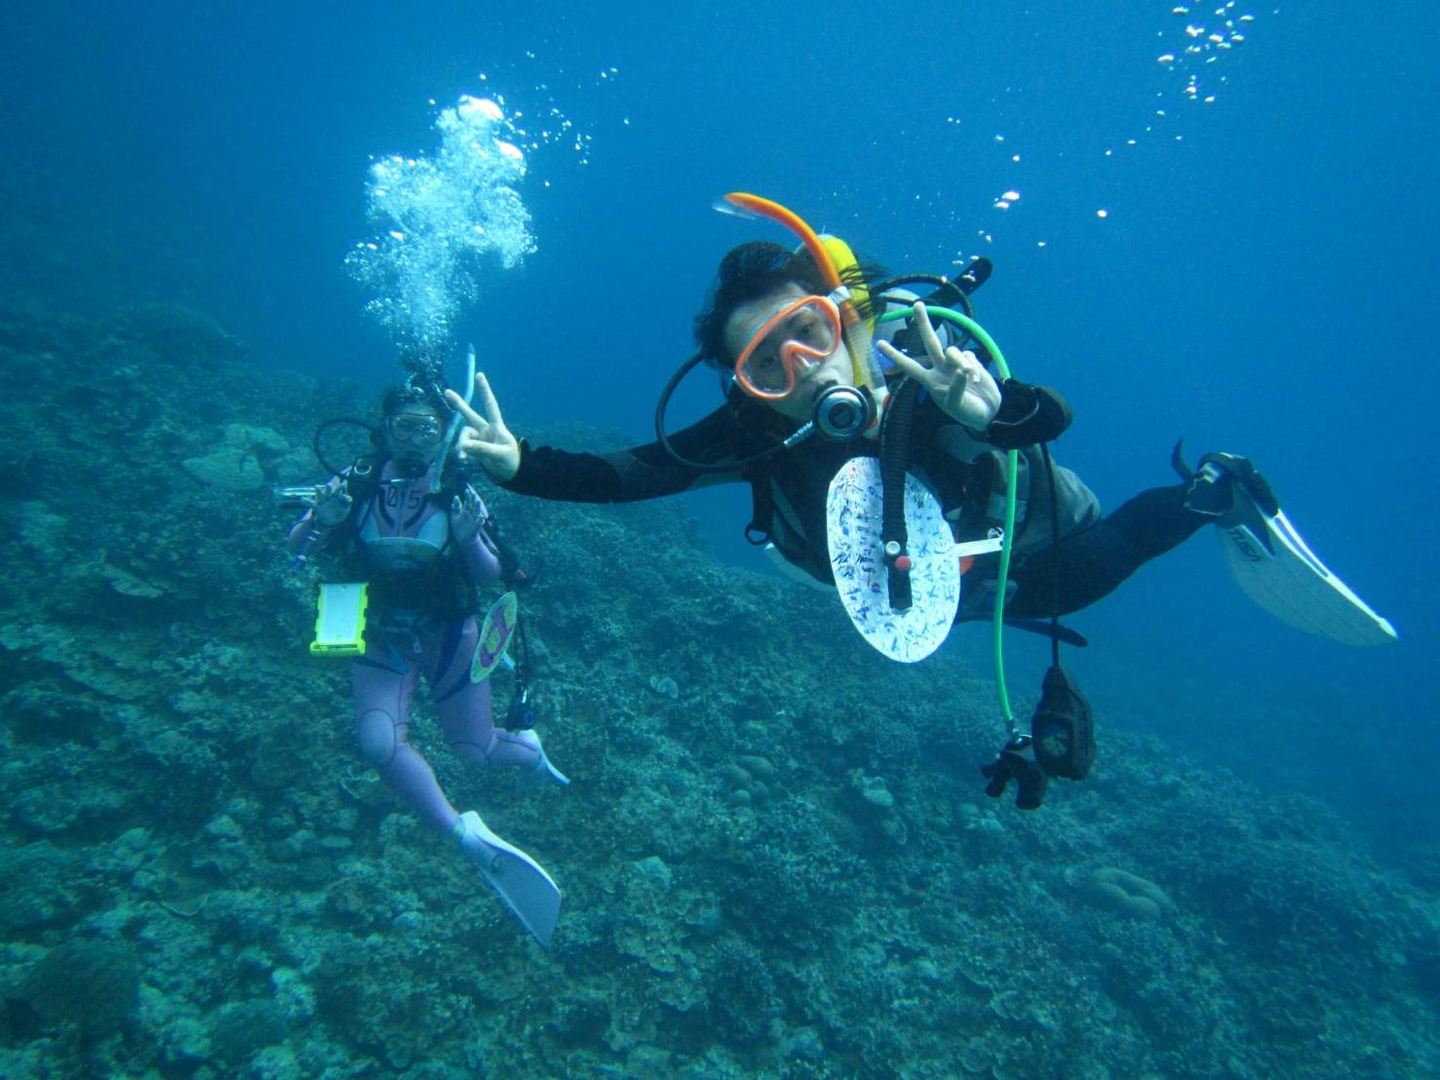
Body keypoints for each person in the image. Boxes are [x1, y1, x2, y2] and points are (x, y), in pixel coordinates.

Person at [444, 195, 1394, 807]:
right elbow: (634, 473)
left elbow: (1047, 415)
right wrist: (521, 465)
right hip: (917, 588)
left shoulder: (923, 367)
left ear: (848, 317)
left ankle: (1212, 493)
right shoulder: (754, 430)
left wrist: (991, 408)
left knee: (1087, 576)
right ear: (748, 389)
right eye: (768, 365)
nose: (804, 370)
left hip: (1018, 538)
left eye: (810, 332)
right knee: (1015, 596)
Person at [286, 380, 569, 944]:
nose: (415, 440)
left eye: (428, 429)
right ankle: (464, 835)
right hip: (377, 633)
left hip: (450, 631)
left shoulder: (457, 489)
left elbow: (491, 576)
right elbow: (296, 550)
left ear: (443, 435)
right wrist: (323, 520)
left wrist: (468, 537)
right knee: (378, 743)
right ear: (384, 430)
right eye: (404, 427)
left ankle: (530, 754)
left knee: (476, 751)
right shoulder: (354, 483)